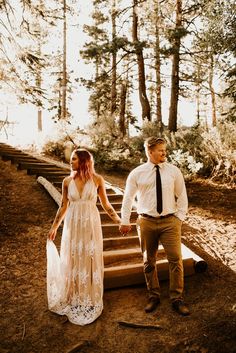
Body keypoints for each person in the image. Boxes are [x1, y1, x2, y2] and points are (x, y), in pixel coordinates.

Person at [47, 148, 121, 325]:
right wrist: (54, 227)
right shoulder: (66, 181)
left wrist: (119, 220)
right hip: (72, 224)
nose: (70, 161)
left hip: (90, 224)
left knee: (89, 257)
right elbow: (63, 206)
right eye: (71, 159)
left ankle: (88, 296)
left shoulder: (97, 180)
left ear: (83, 161)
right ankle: (73, 295)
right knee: (72, 256)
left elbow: (106, 205)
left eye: (73, 159)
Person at [119, 136, 190, 316]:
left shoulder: (173, 171)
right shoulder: (137, 173)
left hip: (170, 222)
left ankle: (177, 298)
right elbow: (128, 198)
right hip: (146, 222)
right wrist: (125, 220)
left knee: (175, 259)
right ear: (149, 151)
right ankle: (153, 295)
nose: (164, 152)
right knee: (148, 261)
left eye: (164, 149)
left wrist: (179, 217)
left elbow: (182, 196)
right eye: (160, 150)